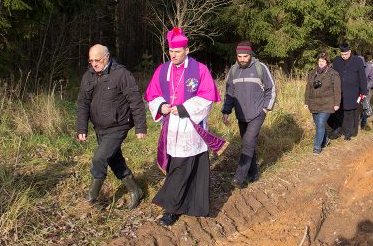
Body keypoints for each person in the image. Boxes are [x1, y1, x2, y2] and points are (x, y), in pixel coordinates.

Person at [145, 28, 222, 226]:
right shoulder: (162, 70)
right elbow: (152, 95)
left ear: (186, 50)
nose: (173, 54)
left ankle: (179, 208)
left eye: (177, 51)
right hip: (171, 129)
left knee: (192, 168)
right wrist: (161, 106)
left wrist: (184, 108)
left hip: (192, 129)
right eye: (171, 51)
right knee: (178, 168)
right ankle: (177, 205)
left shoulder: (200, 70)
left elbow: (207, 97)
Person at [77, 44, 146, 209]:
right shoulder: (88, 76)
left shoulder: (121, 74)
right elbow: (83, 103)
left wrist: (140, 127)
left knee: (99, 158)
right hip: (100, 128)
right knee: (114, 160)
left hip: (118, 126)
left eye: (97, 60)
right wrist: (82, 128)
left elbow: (135, 101)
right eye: (91, 60)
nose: (94, 64)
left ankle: (92, 198)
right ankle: (136, 190)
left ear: (107, 57)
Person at [222, 41, 276, 188]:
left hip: (258, 113)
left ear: (250, 55)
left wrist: (266, 108)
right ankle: (253, 174)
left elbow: (271, 89)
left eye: (245, 56)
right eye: (239, 56)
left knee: (247, 142)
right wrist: (226, 111)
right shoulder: (233, 71)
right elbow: (229, 94)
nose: (242, 59)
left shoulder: (260, 67)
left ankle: (239, 177)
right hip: (241, 115)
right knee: (248, 144)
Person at [304, 52, 341, 154]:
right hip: (314, 103)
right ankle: (325, 139)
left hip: (327, 103)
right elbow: (308, 88)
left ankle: (317, 147)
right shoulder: (312, 73)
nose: (321, 63)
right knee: (318, 124)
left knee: (320, 123)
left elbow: (337, 90)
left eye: (323, 61)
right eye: (319, 61)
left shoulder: (333, 74)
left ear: (327, 62)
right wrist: (306, 101)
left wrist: (337, 103)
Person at [332, 43, 368, 139]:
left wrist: (363, 92)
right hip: (340, 91)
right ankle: (342, 129)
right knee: (340, 111)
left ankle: (350, 132)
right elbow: (333, 76)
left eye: (346, 54)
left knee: (351, 112)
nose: (344, 56)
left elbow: (362, 77)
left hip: (353, 91)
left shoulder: (358, 61)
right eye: (342, 54)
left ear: (350, 52)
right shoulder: (336, 61)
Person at [360, 53, 373, 130]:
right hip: (354, 91)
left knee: (366, 108)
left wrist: (366, 87)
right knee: (356, 108)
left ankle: (363, 123)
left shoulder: (369, 67)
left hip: (365, 91)